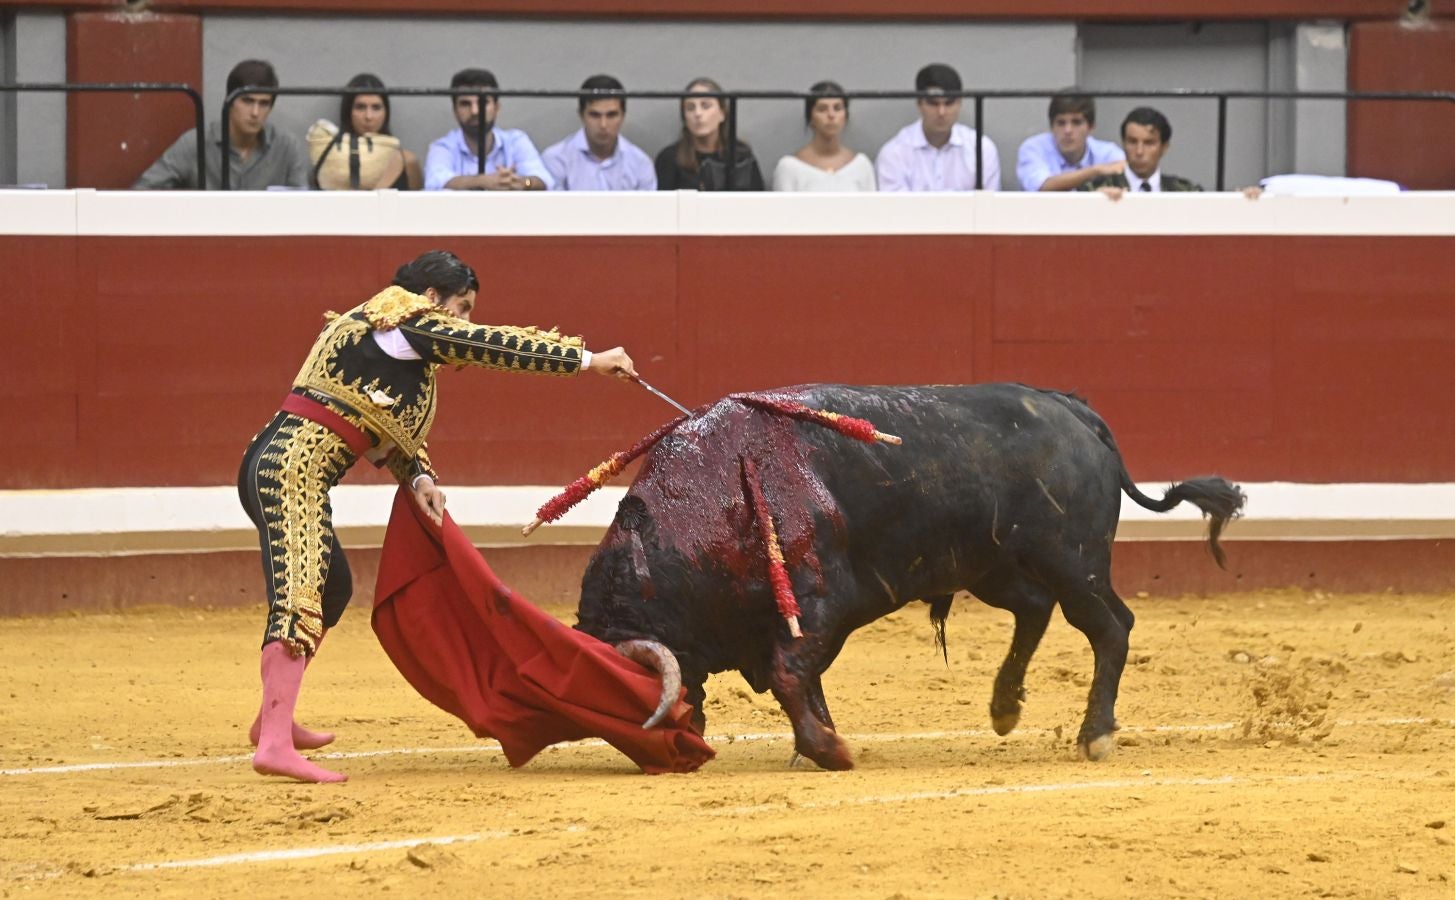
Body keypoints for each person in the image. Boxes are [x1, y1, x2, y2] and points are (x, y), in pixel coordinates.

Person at [239, 249, 637, 783]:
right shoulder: (406, 318)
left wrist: (420, 478)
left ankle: (271, 719)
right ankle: (273, 743)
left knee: (330, 590)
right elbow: (488, 345)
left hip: (275, 465)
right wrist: (588, 360)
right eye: (462, 306)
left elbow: (386, 427)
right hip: (293, 471)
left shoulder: (384, 331)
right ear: (431, 297)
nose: (465, 320)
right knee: (301, 598)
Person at [134, 59, 310, 190]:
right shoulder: (196, 143)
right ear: (230, 101)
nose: (255, 112)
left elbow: (304, 207)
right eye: (247, 101)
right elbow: (142, 192)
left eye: (264, 104)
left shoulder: (286, 146)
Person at [874, 63, 1000, 192]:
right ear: (919, 103)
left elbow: (989, 203)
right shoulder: (894, 153)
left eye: (949, 103)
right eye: (933, 103)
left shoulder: (982, 149)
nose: (941, 112)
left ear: (960, 103)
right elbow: (895, 205)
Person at [424, 68, 552, 191]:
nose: (475, 111)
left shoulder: (516, 140)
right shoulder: (443, 147)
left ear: (497, 108)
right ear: (455, 111)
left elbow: (543, 180)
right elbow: (434, 182)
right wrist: (481, 181)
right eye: (465, 104)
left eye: (483, 102)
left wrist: (523, 183)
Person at [541, 74, 656, 191]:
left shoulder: (641, 164)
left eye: (611, 115)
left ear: (623, 115)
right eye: (595, 115)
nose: (603, 125)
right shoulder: (556, 159)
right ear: (581, 115)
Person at [309, 73, 422, 191]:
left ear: (386, 112)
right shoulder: (329, 159)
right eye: (360, 107)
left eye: (376, 107)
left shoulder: (407, 161)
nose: (369, 116)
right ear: (348, 111)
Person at [654, 77, 765, 191]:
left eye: (705, 106)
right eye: (690, 107)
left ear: (722, 113)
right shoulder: (669, 158)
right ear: (684, 118)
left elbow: (759, 200)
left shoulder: (741, 157)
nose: (698, 113)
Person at [772, 80, 876, 192]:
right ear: (810, 117)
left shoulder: (861, 166)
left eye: (837, 108)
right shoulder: (789, 168)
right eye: (822, 109)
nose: (831, 115)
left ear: (846, 116)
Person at [1016, 90, 1126, 192]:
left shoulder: (1107, 152)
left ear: (1091, 127)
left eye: (1076, 122)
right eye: (1061, 123)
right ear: (1051, 127)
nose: (1068, 130)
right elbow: (1042, 187)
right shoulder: (1033, 148)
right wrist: (1095, 171)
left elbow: (1125, 178)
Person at [1080, 107, 1203, 197]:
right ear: (1123, 143)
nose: (1139, 151)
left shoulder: (1186, 192)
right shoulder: (1095, 191)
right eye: (1132, 142)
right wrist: (1096, 204)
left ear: (1164, 147)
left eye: (1149, 143)